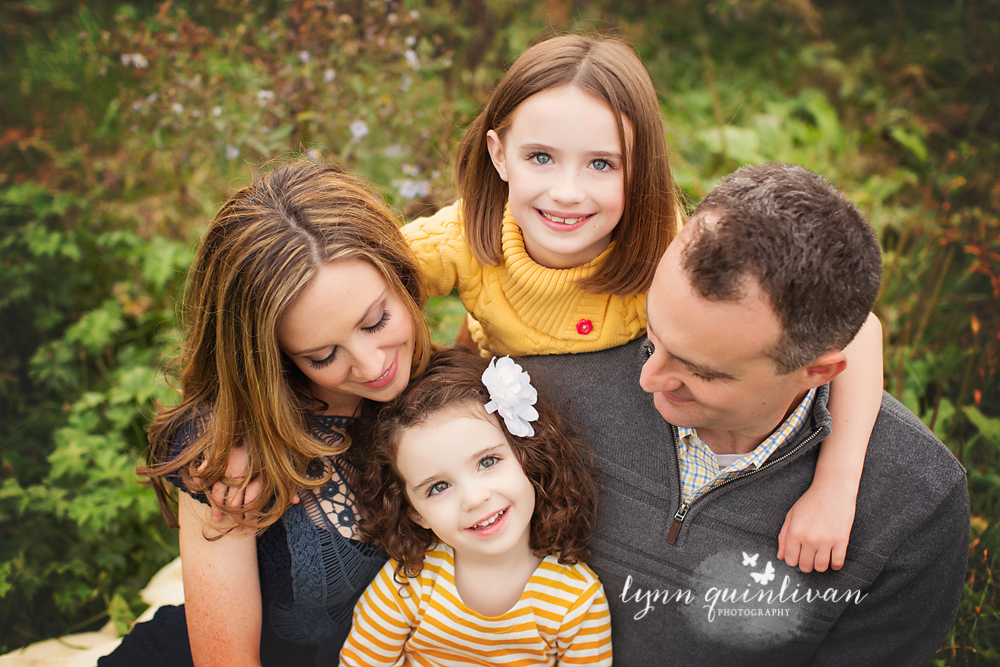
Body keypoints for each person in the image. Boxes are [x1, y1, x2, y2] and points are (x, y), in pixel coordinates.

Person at [404, 33, 883, 573]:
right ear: (499, 155)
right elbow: (366, 289)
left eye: (602, 165)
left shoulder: (663, 250)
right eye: (540, 156)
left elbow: (857, 328)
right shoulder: (464, 237)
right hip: (508, 434)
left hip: (620, 434)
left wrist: (836, 485)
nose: (566, 191)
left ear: (640, 170)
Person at [518, 162, 970, 665]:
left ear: (818, 372)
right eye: (654, 333)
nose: (648, 378)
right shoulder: (557, 371)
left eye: (702, 371)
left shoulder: (914, 503)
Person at [99, 162, 433, 667]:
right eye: (323, 356)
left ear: (401, 276)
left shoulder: (445, 384)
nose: (372, 365)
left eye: (377, 320)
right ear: (271, 357)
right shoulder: (230, 453)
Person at [339, 348, 612, 666]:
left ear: (527, 454)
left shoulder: (576, 601)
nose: (473, 498)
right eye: (438, 487)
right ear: (415, 513)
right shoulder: (408, 584)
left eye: (488, 461)